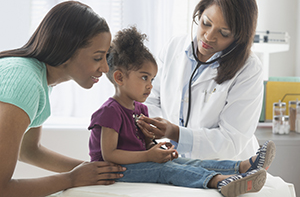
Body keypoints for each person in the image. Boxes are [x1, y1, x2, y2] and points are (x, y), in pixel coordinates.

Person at [88, 26, 276, 197]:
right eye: (144, 78)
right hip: (115, 170)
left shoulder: (139, 109)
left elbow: (142, 144)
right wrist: (148, 156)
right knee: (166, 171)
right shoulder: (109, 112)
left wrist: (157, 149)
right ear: (120, 77)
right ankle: (218, 181)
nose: (150, 85)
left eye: (152, 79)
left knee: (184, 163)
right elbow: (109, 154)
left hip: (135, 163)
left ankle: (242, 166)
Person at [0, 1, 126, 197]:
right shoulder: (25, 82)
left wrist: (94, 171)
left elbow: (29, 150)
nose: (105, 68)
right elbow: (2, 188)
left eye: (106, 57)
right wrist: (72, 179)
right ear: (67, 50)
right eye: (97, 57)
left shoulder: (39, 80)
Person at [136, 0, 263, 161]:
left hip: (227, 163)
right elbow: (149, 100)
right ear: (199, 13)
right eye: (206, 23)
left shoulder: (249, 69)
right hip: (174, 159)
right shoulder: (174, 47)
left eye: (224, 33)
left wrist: (176, 133)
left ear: (239, 37)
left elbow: (231, 139)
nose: (209, 37)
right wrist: (148, 131)